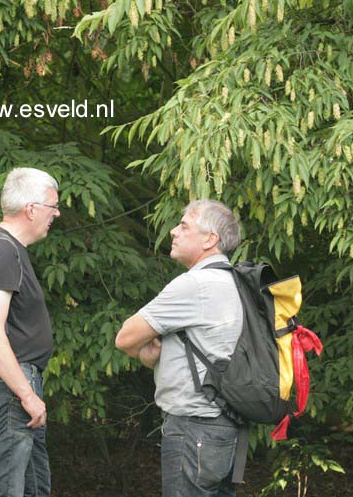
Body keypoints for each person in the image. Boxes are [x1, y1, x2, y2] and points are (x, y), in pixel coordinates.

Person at [115, 199, 245, 497]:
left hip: (193, 428)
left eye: (184, 225)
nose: (174, 231)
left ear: (210, 239)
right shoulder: (238, 282)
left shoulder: (195, 285)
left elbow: (125, 337)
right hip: (228, 427)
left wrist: (144, 353)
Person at [0, 167, 60, 497]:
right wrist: (25, 394)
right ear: (32, 209)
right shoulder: (3, 250)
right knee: (7, 488)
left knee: (34, 486)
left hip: (9, 380)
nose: (57, 213)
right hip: (8, 383)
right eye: (53, 206)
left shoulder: (2, 247)